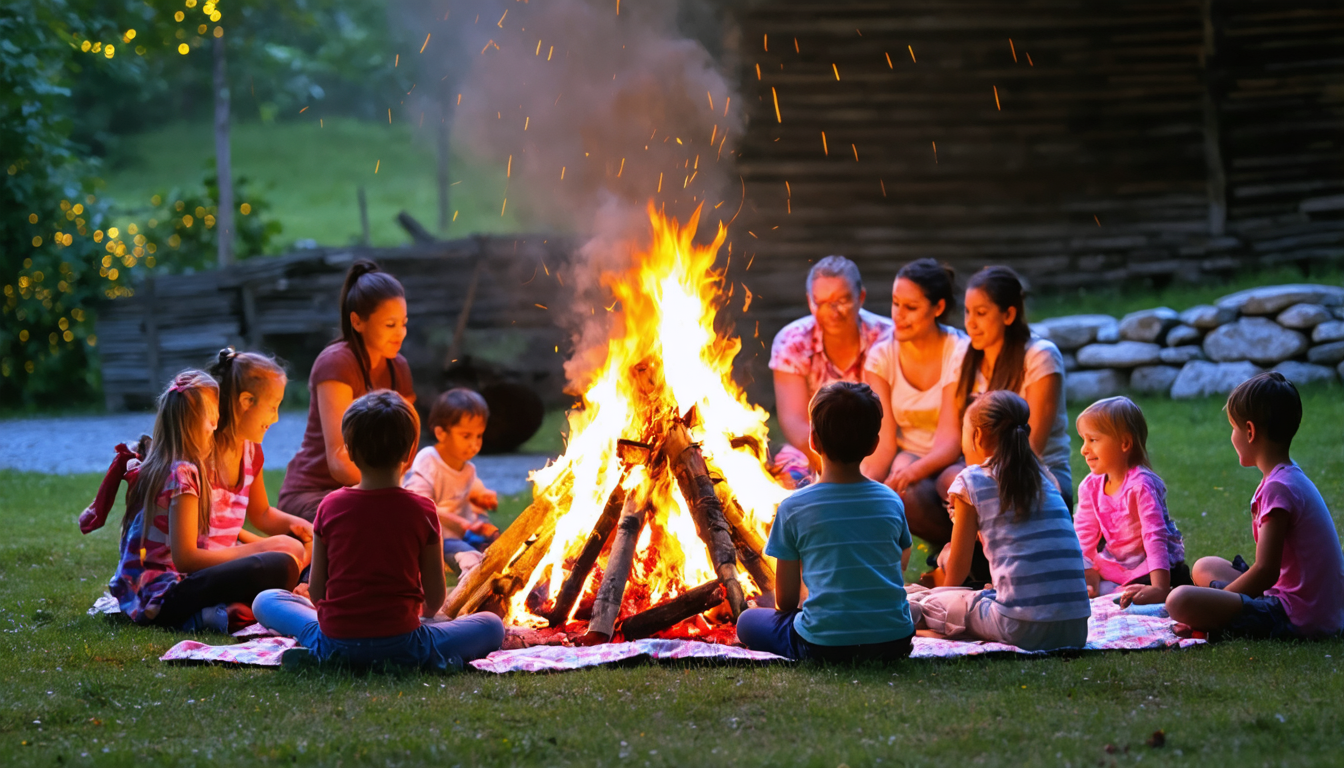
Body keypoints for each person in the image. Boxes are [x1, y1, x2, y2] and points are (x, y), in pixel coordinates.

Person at [252, 390, 506, 670]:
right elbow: (434, 599)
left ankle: (320, 655)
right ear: (411, 453)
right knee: (492, 625)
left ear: (348, 450)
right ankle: (432, 659)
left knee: (267, 600)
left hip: (334, 642)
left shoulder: (330, 506)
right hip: (406, 645)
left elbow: (317, 590)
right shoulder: (423, 510)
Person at [108, 370, 306, 633]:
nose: (217, 425)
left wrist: (273, 544)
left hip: (180, 582)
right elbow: (186, 559)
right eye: (214, 417)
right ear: (201, 421)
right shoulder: (182, 474)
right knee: (278, 566)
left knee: (285, 560)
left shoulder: (179, 464)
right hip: (165, 593)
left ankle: (232, 609)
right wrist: (262, 549)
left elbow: (212, 540)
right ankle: (206, 617)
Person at [736, 381, 916, 662]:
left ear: (813, 440)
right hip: (895, 641)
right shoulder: (890, 500)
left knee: (747, 621)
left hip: (822, 645)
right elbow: (902, 558)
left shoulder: (793, 507)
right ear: (874, 444)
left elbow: (785, 602)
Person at [908, 391, 1090, 651]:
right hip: (1075, 629)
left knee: (936, 603)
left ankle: (909, 623)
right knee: (977, 597)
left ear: (978, 436)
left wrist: (942, 599)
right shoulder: (1046, 479)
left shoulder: (972, 479)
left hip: (1021, 627)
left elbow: (957, 573)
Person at [1166, 373, 1344, 640]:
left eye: (1233, 428)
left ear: (1249, 431)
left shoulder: (1278, 488)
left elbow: (1266, 572)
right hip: (1307, 602)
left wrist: (1216, 604)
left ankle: (1216, 617)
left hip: (1299, 616)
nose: (1232, 436)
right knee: (1204, 566)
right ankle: (1219, 607)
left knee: (1179, 599)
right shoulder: (1287, 475)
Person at [279, 260, 416, 521]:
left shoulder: (399, 368)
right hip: (314, 492)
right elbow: (339, 460)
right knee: (369, 523)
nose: (400, 333)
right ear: (357, 322)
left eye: (404, 323)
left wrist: (398, 490)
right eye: (390, 325)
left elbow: (407, 442)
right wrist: (388, 487)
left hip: (374, 488)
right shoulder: (337, 363)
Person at [861, 258, 967, 547]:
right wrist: (859, 484)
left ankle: (969, 554)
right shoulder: (881, 356)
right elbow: (883, 441)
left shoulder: (958, 351)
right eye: (896, 303)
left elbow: (950, 442)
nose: (898, 315)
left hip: (957, 458)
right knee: (891, 493)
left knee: (952, 481)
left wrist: (907, 474)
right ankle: (952, 552)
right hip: (910, 459)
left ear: (938, 308)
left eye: (911, 307)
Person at [950, 266, 1073, 508]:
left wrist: (980, 486)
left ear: (1009, 315)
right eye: (967, 312)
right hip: (979, 472)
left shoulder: (1039, 356)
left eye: (981, 313)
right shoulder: (965, 356)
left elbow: (1032, 446)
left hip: (1037, 473)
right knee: (937, 484)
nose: (970, 323)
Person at [770, 255, 891, 488]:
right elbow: (794, 421)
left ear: (861, 297)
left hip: (877, 448)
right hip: (816, 449)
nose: (832, 312)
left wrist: (861, 474)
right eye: (821, 302)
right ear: (809, 301)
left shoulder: (887, 338)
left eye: (842, 300)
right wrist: (834, 470)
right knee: (788, 472)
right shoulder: (792, 341)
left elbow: (888, 425)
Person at [1073, 396, 1188, 605]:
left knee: (1138, 599)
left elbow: (1155, 536)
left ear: (1124, 443)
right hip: (1117, 566)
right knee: (1078, 589)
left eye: (1093, 440)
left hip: (1155, 569)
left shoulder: (1141, 485)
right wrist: (1087, 570)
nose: (1084, 449)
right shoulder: (1090, 486)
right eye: (1083, 440)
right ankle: (1116, 591)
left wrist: (1159, 588)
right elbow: (1084, 532)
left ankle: (1162, 591)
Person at [403, 388, 501, 574]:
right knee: (468, 557)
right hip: (434, 540)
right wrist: (460, 522)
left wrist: (483, 498)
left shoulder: (467, 468)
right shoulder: (428, 461)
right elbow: (419, 505)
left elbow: (474, 495)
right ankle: (468, 575)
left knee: (500, 542)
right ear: (441, 433)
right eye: (466, 436)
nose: (474, 443)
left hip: (463, 536)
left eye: (478, 435)